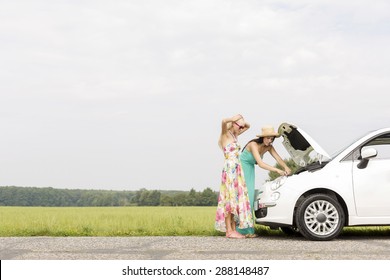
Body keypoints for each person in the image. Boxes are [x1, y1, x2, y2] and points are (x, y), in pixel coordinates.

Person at [236, 126, 292, 237]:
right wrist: (277, 170)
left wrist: (286, 167)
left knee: (250, 198)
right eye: (268, 138)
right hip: (241, 169)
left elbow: (278, 158)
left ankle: (246, 229)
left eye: (272, 139)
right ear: (263, 137)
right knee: (243, 197)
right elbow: (261, 164)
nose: (270, 141)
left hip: (250, 168)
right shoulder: (253, 145)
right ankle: (238, 229)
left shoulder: (269, 147)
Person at [215, 114, 254, 238]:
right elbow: (223, 120)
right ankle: (229, 230)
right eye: (239, 126)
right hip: (230, 169)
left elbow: (248, 126)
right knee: (229, 199)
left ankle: (232, 229)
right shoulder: (225, 134)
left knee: (235, 199)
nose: (241, 128)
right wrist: (234, 118)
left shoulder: (235, 134)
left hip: (237, 169)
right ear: (233, 124)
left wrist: (241, 119)